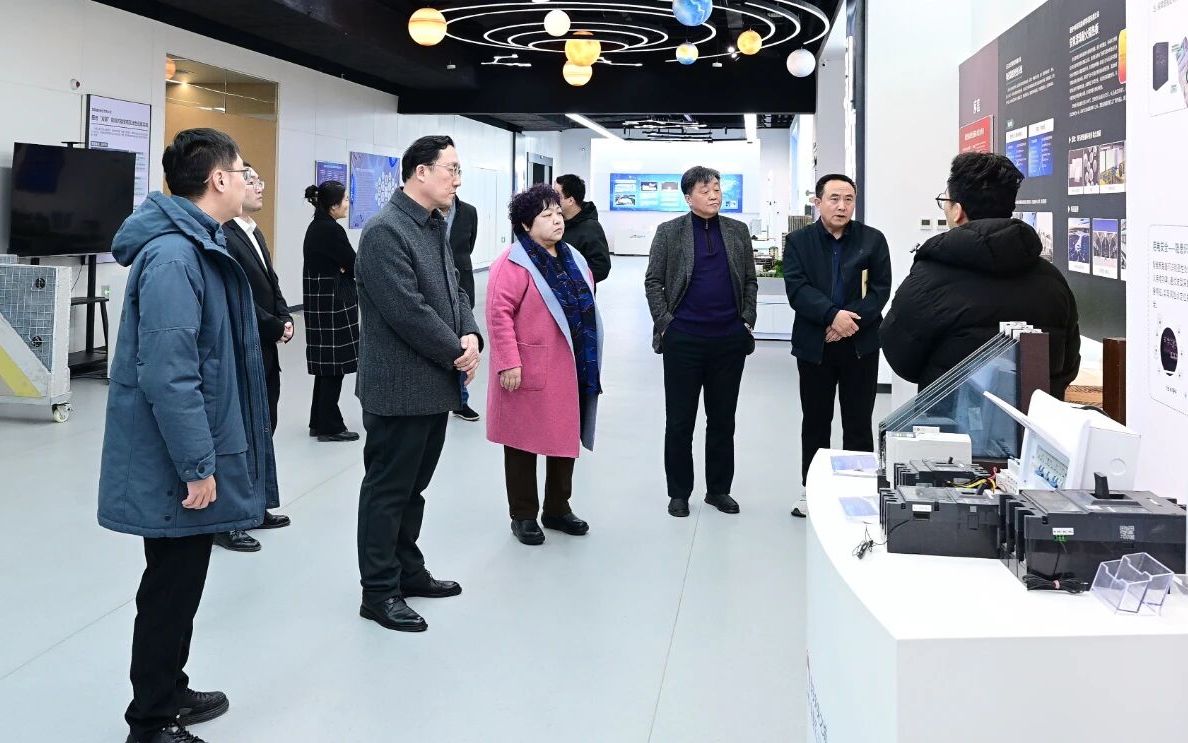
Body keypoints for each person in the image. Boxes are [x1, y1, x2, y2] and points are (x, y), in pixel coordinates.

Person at [98, 127, 278, 743]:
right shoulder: (176, 257)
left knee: (182, 581)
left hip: (187, 451)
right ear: (218, 178)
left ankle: (170, 688)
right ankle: (150, 722)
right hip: (176, 460)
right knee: (169, 589)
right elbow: (170, 375)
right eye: (241, 168)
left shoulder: (200, 244)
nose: (248, 177)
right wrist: (198, 466)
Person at [354, 135, 482, 632]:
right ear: (420, 172)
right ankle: (378, 591)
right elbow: (408, 311)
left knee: (414, 489)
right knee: (388, 491)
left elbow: (455, 288)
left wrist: (469, 333)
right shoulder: (386, 231)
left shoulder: (431, 224)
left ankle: (408, 571)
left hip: (431, 385)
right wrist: (456, 351)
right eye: (451, 169)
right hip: (398, 389)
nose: (457, 179)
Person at [880, 152, 1080, 398]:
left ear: (957, 210)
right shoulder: (1053, 280)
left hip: (950, 414)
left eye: (945, 200)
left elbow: (900, 356)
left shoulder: (928, 279)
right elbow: (1067, 364)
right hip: (1030, 418)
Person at [486, 184, 604, 545]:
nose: (557, 220)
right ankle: (523, 515)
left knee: (564, 437)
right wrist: (508, 361)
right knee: (521, 440)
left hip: (571, 363)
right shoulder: (513, 262)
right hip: (527, 365)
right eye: (546, 215)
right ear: (526, 225)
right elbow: (498, 314)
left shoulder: (573, 256)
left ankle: (557, 508)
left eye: (558, 213)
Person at [644, 165, 757, 518]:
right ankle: (679, 492)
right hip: (684, 340)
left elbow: (750, 280)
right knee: (680, 421)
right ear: (688, 196)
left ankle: (719, 490)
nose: (714, 195)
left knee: (723, 420)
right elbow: (653, 281)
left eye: (717, 189)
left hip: (728, 340)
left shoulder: (737, 231)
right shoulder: (669, 232)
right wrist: (666, 324)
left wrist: (746, 321)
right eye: (705, 190)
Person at [783, 174, 892, 518]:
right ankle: (812, 490)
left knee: (858, 421)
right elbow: (797, 289)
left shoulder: (872, 240)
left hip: (860, 345)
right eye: (834, 198)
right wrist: (832, 316)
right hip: (814, 346)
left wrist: (846, 324)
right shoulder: (798, 241)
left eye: (848, 199)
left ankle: (857, 492)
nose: (842, 206)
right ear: (818, 203)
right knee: (816, 421)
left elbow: (880, 290)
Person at [217, 162, 292, 551]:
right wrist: (273, 325)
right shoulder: (224, 235)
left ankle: (254, 506)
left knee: (264, 425)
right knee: (239, 434)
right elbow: (239, 294)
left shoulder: (253, 231)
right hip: (244, 343)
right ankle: (228, 520)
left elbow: (270, 284)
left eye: (259, 179)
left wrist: (285, 316)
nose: (259, 186)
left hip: (264, 346)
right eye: (250, 180)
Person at [302, 180, 360, 442]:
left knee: (326, 367)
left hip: (321, 302)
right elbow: (354, 263)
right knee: (334, 367)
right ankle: (330, 426)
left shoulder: (317, 226)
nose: (348, 204)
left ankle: (318, 420)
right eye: (345, 199)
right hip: (333, 304)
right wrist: (345, 269)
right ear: (333, 205)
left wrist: (344, 267)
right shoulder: (331, 230)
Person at [444, 192, 481, 422]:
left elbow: (469, 244)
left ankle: (460, 401)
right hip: (431, 284)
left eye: (456, 174)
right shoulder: (426, 209)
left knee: (463, 343)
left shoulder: (469, 211)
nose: (453, 180)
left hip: (462, 284)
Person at [555, 174, 611, 284]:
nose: (552, 198)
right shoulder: (556, 220)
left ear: (570, 200)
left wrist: (570, 279)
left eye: (557, 195)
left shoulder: (591, 228)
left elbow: (601, 267)